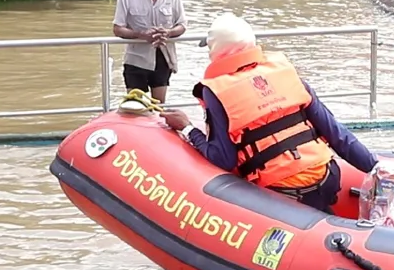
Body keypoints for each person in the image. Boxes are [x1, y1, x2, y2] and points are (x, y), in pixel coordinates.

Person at [161, 13, 378, 212]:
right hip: (328, 177)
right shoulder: (284, 72)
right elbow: (337, 135)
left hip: (283, 193)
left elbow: (223, 159)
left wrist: (188, 128)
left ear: (215, 50)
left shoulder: (215, 91)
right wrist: (377, 169)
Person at [113, 0, 187, 103]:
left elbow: (182, 25)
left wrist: (168, 32)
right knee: (135, 107)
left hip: (163, 57)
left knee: (159, 107)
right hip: (136, 59)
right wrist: (141, 35)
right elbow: (118, 28)